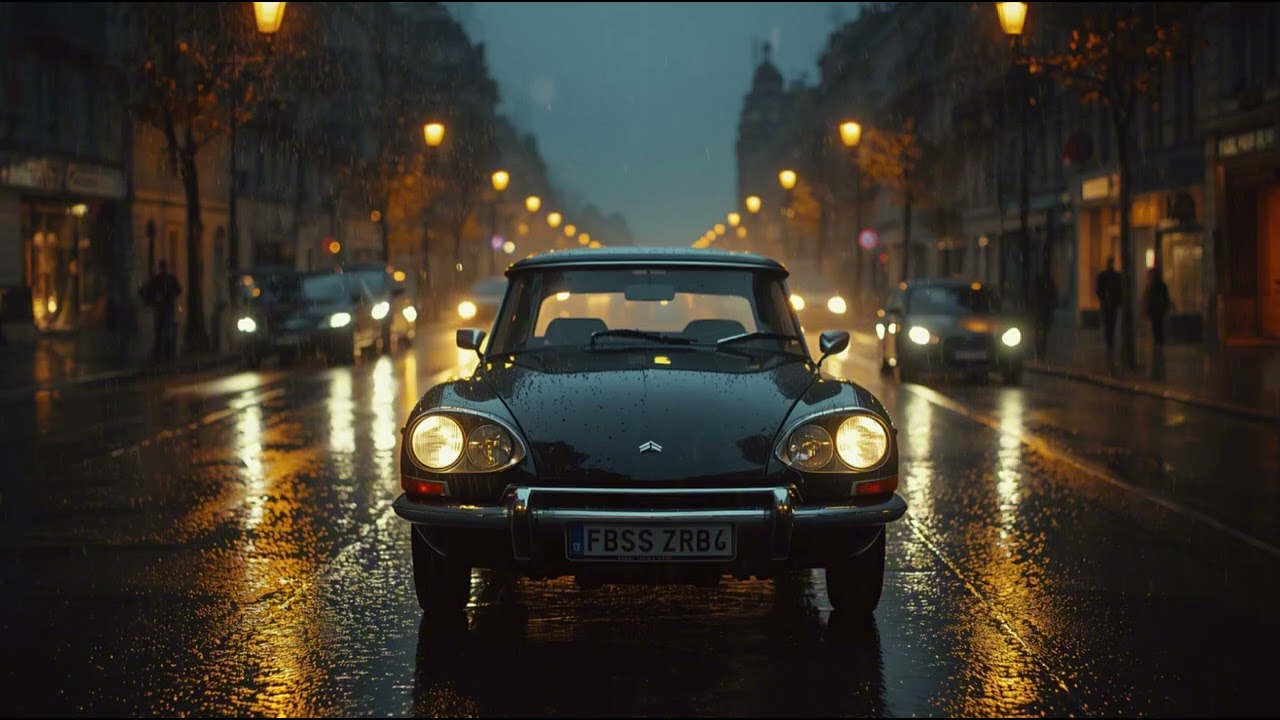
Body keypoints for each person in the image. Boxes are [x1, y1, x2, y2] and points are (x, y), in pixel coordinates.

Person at [142, 260, 182, 361]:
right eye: (162, 267)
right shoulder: (156, 280)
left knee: (168, 331)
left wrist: (171, 295)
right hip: (159, 308)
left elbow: (178, 290)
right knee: (159, 331)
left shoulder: (171, 279)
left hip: (168, 308)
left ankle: (167, 353)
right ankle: (160, 352)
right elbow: (150, 291)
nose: (163, 270)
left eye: (164, 267)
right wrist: (155, 298)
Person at [1094, 257, 1123, 360]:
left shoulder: (1107, 276)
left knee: (1110, 324)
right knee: (1110, 324)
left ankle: (1110, 343)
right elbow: (1099, 290)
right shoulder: (1110, 276)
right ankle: (1110, 343)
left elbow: (1099, 290)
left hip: (1110, 305)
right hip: (1109, 305)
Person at [1032, 271, 1058, 358]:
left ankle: (1039, 351)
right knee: (1041, 333)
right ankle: (1040, 351)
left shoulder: (1040, 286)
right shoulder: (1047, 285)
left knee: (1040, 333)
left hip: (1041, 312)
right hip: (1043, 312)